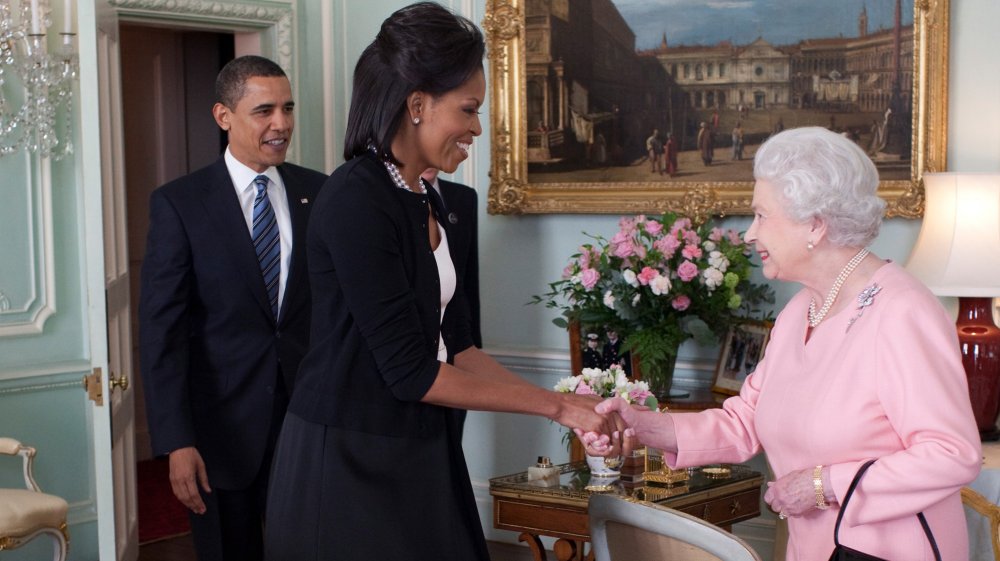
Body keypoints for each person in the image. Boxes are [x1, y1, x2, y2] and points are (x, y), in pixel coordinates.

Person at [263, 4, 619, 560]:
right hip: (350, 460)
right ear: (417, 105)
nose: (478, 127)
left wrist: (565, 399)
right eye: (469, 110)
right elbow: (410, 371)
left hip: (421, 445)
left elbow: (462, 349)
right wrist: (555, 407)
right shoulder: (355, 198)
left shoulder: (432, 198)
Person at [583, 127, 981, 559]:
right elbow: (745, 421)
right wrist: (642, 426)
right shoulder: (800, 311)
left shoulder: (903, 312)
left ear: (815, 225)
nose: (750, 234)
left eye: (762, 216)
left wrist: (822, 484)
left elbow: (951, 454)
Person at [139, 55, 326, 561]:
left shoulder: (321, 191)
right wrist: (176, 442)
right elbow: (163, 335)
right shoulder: (180, 203)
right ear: (224, 117)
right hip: (219, 437)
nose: (281, 124)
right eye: (264, 110)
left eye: (287, 108)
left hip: (310, 425)